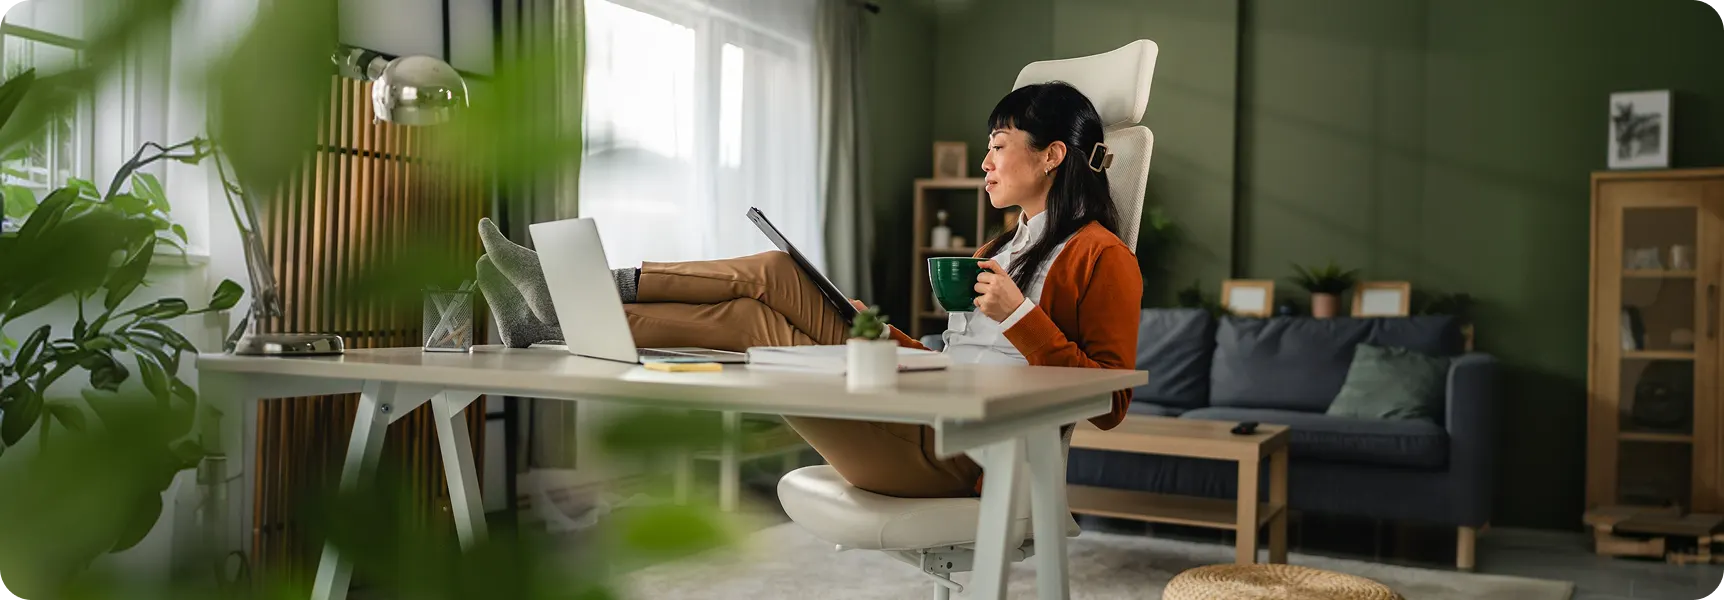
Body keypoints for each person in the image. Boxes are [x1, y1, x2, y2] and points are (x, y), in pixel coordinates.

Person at [476, 81, 1141, 499]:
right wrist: (881, 335)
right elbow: (960, 360)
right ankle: (550, 317)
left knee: (753, 323)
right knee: (767, 281)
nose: (985, 161)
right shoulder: (1000, 247)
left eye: (998, 145)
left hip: (955, 459)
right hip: (918, 410)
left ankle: (561, 307)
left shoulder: (1102, 257)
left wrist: (1022, 315)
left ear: (1052, 155)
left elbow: (1110, 401)